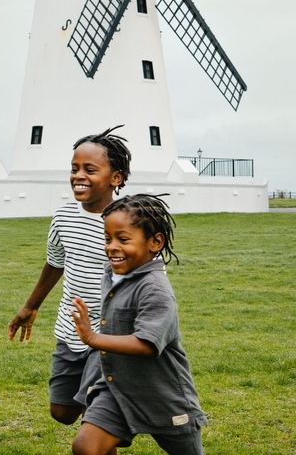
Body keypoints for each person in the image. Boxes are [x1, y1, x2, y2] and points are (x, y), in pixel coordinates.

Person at [8, 126, 132, 431]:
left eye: (90, 169)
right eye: (74, 168)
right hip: (69, 328)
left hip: (109, 334)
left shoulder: (129, 221)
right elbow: (55, 263)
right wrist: (31, 306)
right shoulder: (63, 217)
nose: (79, 175)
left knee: (95, 419)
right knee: (62, 412)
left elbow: (148, 281)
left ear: (115, 177)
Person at [70, 194, 207, 455]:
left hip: (162, 394)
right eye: (107, 238)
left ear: (155, 242)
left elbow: (146, 344)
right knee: (87, 447)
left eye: (123, 239)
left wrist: (92, 339)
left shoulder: (155, 288)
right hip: (115, 387)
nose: (111, 247)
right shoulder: (111, 274)